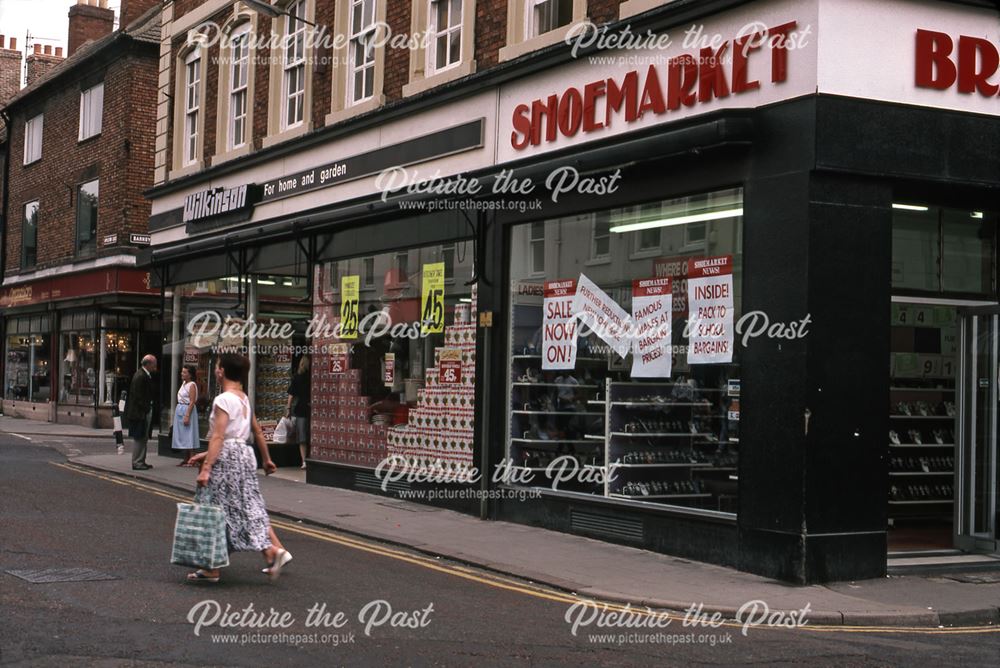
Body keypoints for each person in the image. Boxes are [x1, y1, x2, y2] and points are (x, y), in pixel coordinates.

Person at [186, 354, 289, 583]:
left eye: (218, 366)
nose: (216, 369)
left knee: (213, 509)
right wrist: (266, 458)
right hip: (244, 454)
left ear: (221, 370)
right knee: (245, 506)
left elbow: (220, 436)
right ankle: (267, 551)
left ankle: (215, 566)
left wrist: (206, 467)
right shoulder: (244, 399)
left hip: (227, 457)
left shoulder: (223, 400)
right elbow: (256, 432)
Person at [124, 354, 157, 471]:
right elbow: (138, 397)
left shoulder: (144, 375)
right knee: (140, 437)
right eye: (154, 363)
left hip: (142, 412)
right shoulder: (140, 376)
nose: (155, 366)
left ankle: (141, 460)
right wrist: (146, 408)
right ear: (148, 364)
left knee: (144, 437)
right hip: (140, 413)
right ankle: (137, 462)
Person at [286, 356, 311, 469]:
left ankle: (304, 460)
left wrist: (288, 409)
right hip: (311, 408)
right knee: (309, 434)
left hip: (300, 409)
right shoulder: (312, 377)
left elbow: (291, 395)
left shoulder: (297, 377)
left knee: (302, 436)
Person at [172, 365, 200, 466]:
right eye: (182, 372)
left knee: (189, 435)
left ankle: (193, 460)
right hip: (180, 409)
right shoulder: (184, 383)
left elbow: (192, 401)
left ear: (190, 375)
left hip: (188, 409)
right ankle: (186, 459)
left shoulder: (192, 385)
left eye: (184, 372)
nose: (182, 374)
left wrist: (187, 415)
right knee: (183, 435)